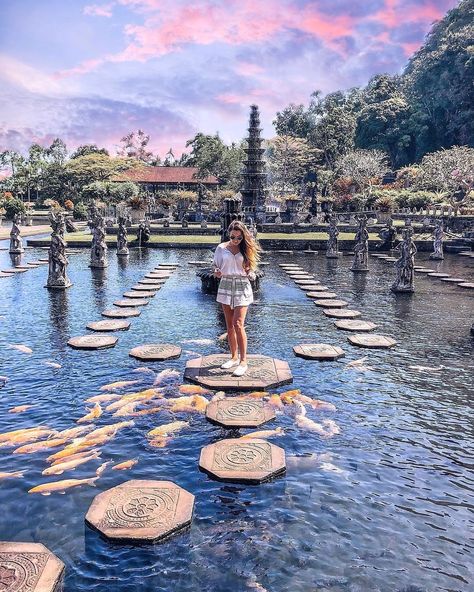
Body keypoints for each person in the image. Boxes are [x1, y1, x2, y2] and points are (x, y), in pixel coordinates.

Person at [212, 220, 260, 377]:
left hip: (242, 285)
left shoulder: (246, 250)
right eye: (233, 237)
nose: (236, 240)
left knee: (238, 323)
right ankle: (233, 357)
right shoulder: (221, 248)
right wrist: (217, 272)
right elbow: (215, 267)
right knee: (229, 326)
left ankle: (243, 361)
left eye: (239, 238)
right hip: (225, 284)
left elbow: (252, 272)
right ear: (229, 234)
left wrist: (250, 273)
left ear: (243, 237)